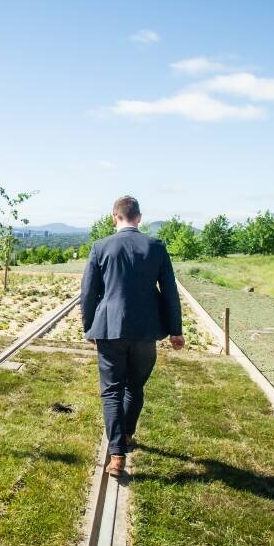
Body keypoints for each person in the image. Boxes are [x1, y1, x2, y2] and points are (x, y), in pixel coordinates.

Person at [80, 195, 184, 476]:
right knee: (134, 386)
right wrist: (175, 330)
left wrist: (89, 327)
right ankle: (125, 436)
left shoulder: (100, 247)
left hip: (109, 328)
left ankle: (116, 454)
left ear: (114, 218)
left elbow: (88, 293)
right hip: (145, 330)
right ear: (139, 218)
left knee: (111, 390)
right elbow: (170, 292)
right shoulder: (156, 247)